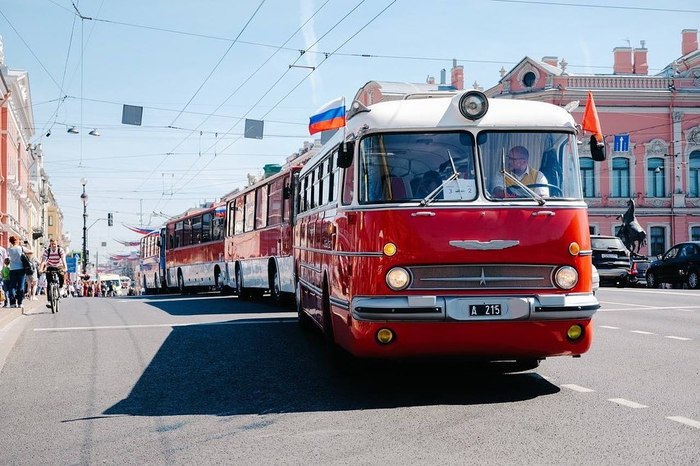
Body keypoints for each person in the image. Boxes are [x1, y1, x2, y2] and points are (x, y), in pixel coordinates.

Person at [39, 238, 67, 309]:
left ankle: (61, 287)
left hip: (59, 265)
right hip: (50, 266)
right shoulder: (47, 251)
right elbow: (43, 261)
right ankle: (49, 301)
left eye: (54, 244)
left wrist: (65, 268)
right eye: (52, 244)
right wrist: (41, 269)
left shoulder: (60, 250)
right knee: (49, 283)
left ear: (57, 244)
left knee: (61, 274)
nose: (53, 245)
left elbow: (64, 260)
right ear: (50, 245)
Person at [7, 236, 30, 310]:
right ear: (16, 241)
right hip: (21, 269)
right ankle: (20, 303)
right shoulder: (21, 248)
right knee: (21, 285)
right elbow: (31, 252)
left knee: (12, 286)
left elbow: (8, 258)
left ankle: (12, 303)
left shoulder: (9, 249)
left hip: (12, 269)